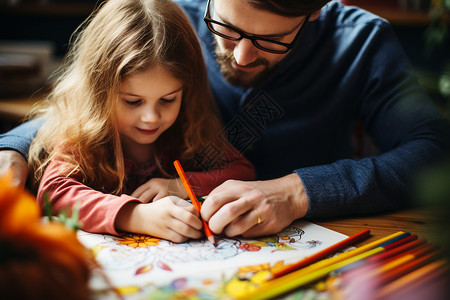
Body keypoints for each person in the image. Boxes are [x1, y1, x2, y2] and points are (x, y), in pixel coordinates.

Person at [1, 0, 449, 238]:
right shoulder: (173, 21)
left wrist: (298, 192)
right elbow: (90, 103)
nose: (241, 55)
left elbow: (433, 153)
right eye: (227, 28)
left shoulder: (363, 43)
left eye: (271, 40)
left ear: (314, 12)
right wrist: (15, 147)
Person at [11, 0, 255, 243]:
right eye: (133, 101)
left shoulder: (189, 126)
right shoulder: (83, 135)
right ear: (98, 94)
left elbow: (242, 171)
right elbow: (53, 193)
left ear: (186, 91)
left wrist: (181, 185)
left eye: (168, 99)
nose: (151, 117)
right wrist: (136, 216)